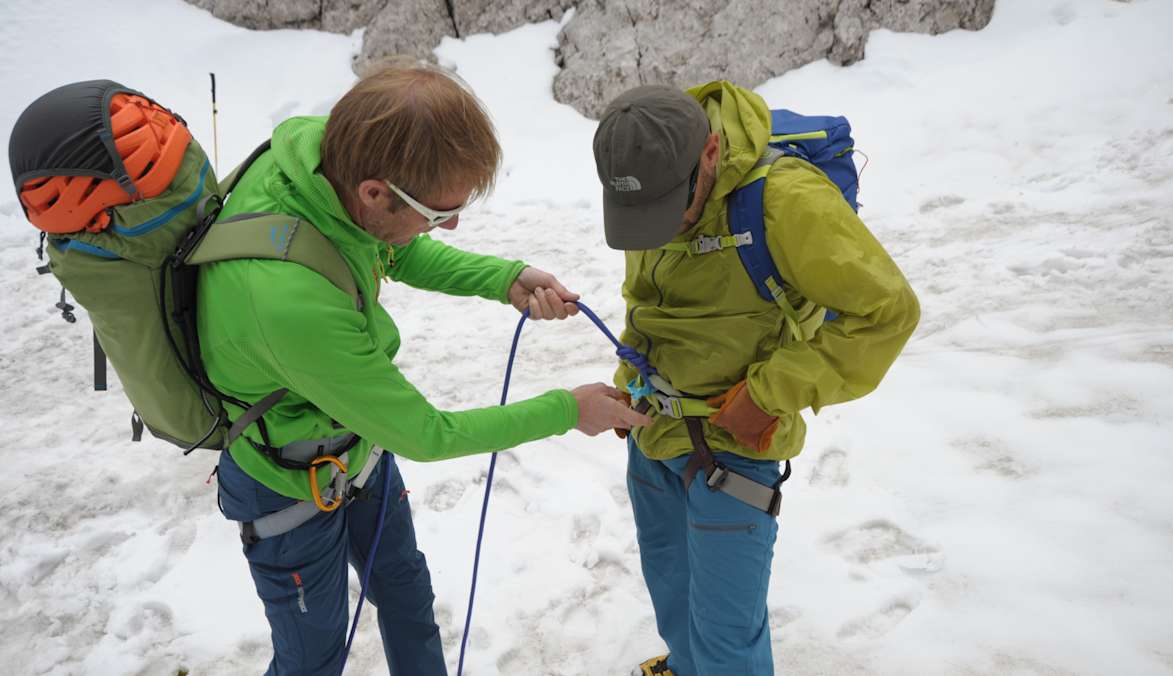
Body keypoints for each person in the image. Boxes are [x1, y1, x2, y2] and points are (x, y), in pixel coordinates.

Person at [199, 63, 652, 676]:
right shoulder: (286, 302)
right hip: (286, 481)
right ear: (374, 192)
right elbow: (427, 434)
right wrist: (571, 410)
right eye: (439, 213)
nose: (452, 225)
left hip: (356, 444)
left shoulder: (323, 157)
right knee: (314, 656)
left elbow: (388, 243)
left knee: (408, 596)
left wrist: (503, 278)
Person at [591, 82, 921, 675]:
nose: (656, 229)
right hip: (654, 434)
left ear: (711, 153)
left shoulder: (785, 201)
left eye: (668, 211)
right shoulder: (649, 182)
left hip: (734, 450)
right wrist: (629, 381)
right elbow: (644, 303)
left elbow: (886, 312)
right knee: (675, 601)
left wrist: (770, 394)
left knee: (726, 642)